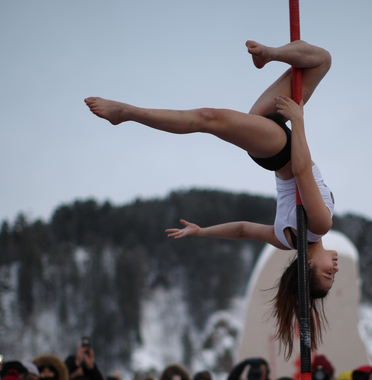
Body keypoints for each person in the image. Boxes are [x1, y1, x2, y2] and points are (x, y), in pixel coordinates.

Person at [86, 39, 337, 358]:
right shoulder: (287, 240)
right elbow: (244, 229)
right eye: (333, 275)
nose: (335, 267)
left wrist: (298, 121)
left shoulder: (319, 225)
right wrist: (203, 231)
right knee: (320, 61)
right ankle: (271, 55)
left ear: (309, 265)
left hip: (281, 148)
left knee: (208, 119)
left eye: (328, 274)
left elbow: (302, 170)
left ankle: (126, 113)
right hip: (277, 144)